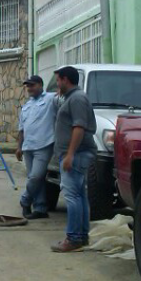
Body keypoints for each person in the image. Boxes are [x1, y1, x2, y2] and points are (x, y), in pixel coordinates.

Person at [50, 66, 97, 252]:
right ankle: (81, 236)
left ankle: (74, 238)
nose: (57, 84)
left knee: (72, 196)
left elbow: (79, 128)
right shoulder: (72, 98)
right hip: (75, 154)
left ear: (65, 80)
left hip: (75, 155)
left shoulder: (77, 99)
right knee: (79, 195)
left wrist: (70, 154)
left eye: (58, 80)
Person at [16, 75, 58, 220]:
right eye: (28, 86)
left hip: (44, 144)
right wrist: (19, 147)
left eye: (32, 85)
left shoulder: (51, 99)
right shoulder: (27, 106)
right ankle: (40, 208)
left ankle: (25, 200)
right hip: (28, 146)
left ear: (40, 85)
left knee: (36, 176)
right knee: (34, 178)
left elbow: (64, 98)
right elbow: (21, 129)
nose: (29, 89)